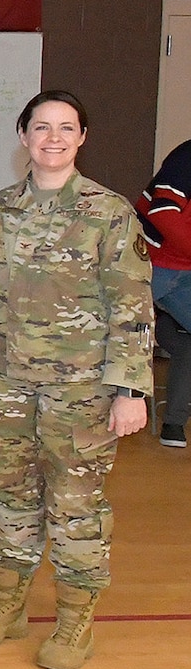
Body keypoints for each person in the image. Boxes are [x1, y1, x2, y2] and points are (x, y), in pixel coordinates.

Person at [0, 91, 152, 669]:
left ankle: (75, 621)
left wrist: (131, 390)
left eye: (66, 128)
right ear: (23, 135)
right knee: (9, 495)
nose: (52, 138)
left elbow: (131, 305)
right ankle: (7, 605)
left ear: (82, 137)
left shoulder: (109, 213)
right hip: (5, 384)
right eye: (41, 127)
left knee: (74, 504)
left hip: (81, 391)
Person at [136, 141, 191, 447]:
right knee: (113, 332)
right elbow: (163, 212)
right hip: (152, 263)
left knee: (186, 344)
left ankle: (174, 423)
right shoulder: (187, 157)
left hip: (186, 270)